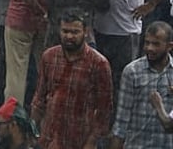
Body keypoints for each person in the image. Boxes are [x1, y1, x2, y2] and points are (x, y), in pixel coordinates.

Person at [30, 10, 113, 149]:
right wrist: (32, 131)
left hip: (80, 138)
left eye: (75, 32)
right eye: (65, 31)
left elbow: (105, 108)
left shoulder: (99, 64)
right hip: (50, 138)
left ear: (85, 32)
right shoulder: (49, 57)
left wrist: (92, 141)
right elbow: (39, 97)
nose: (69, 36)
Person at [110, 20, 173, 148]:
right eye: (147, 43)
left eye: (156, 44)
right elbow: (122, 120)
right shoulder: (132, 71)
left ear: (169, 46)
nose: (150, 48)